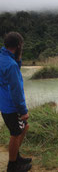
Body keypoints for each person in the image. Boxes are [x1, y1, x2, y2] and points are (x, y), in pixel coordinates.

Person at [0, 32, 32, 172]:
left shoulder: (4, 57)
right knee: (16, 133)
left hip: (4, 103)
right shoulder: (11, 65)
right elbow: (16, 90)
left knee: (23, 128)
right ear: (19, 46)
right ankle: (12, 166)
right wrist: (23, 111)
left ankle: (16, 157)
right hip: (11, 106)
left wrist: (17, 58)